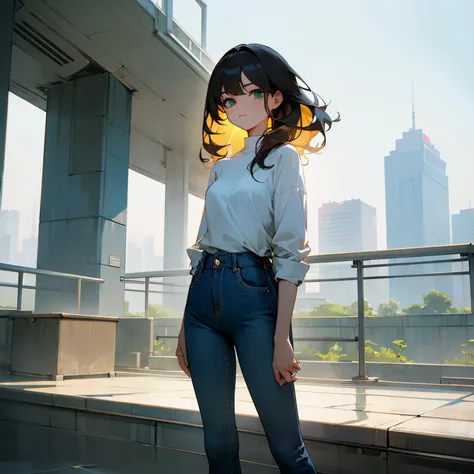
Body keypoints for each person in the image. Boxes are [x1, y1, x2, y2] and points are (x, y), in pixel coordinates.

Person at [175, 43, 337, 474]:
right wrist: (183, 326)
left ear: (275, 97)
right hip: (202, 301)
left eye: (251, 93)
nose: (239, 105)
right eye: (229, 98)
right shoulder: (221, 167)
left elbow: (291, 250)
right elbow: (202, 246)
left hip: (254, 298)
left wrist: (282, 337)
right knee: (218, 442)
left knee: (287, 447)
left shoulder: (283, 158)